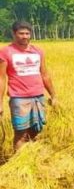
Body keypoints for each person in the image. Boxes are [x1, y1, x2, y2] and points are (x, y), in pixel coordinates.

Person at [0, 21, 57, 151]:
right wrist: (0, 103)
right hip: (19, 99)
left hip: (38, 97)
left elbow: (45, 75)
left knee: (36, 130)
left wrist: (53, 95)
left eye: (27, 33)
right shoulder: (5, 52)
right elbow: (1, 78)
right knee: (20, 133)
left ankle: (32, 161)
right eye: (21, 33)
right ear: (14, 34)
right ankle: (20, 165)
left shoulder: (38, 51)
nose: (25, 36)